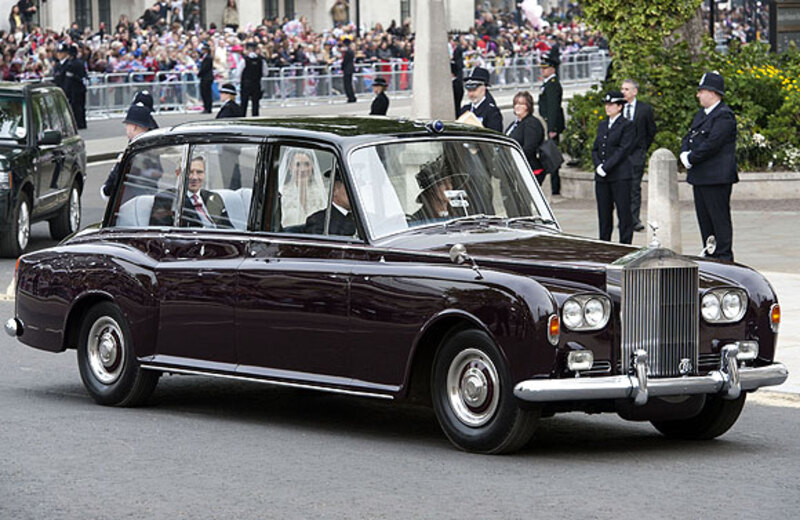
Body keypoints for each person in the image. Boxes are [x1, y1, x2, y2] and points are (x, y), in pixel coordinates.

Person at [680, 71, 738, 262]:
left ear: (713, 93)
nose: (698, 95)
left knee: (718, 221)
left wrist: (691, 158)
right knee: (705, 222)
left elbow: (712, 144)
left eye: (701, 91)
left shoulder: (724, 116)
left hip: (716, 178)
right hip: (701, 177)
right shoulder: (702, 114)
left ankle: (724, 259)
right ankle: (711, 254)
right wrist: (684, 153)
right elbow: (689, 137)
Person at [591, 91, 635, 244]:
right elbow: (595, 148)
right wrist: (598, 166)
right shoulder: (603, 125)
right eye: (606, 104)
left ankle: (625, 245)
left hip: (620, 176)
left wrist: (606, 167)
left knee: (624, 214)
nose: (607, 107)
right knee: (604, 215)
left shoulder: (627, 125)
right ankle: (604, 244)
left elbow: (623, 149)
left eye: (611, 105)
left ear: (619, 107)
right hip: (602, 177)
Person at [150, 155, 232, 228]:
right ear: (178, 173)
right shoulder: (167, 199)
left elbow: (230, 230)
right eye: (189, 172)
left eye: (199, 172)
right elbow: (160, 235)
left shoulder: (213, 198)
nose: (195, 177)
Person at [101, 102, 159, 201]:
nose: (126, 128)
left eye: (127, 125)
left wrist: (120, 164)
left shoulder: (133, 151)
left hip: (131, 204)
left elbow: (110, 189)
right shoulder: (152, 148)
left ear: (134, 127)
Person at [621, 78, 657, 232]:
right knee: (622, 188)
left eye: (627, 89)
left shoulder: (644, 109)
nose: (623, 92)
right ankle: (624, 219)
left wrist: (642, 149)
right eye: (622, 89)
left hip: (637, 155)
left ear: (635, 92)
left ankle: (634, 219)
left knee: (635, 188)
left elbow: (651, 131)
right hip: (621, 157)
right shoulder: (618, 107)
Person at [278, 148, 327, 228]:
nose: (303, 169)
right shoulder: (283, 193)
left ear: (312, 167)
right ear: (290, 167)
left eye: (307, 164)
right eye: (298, 164)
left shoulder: (321, 194)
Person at [538, 50, 564, 196]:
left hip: (551, 124)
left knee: (552, 154)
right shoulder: (548, 83)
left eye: (545, 68)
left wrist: (552, 127)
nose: (543, 70)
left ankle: (555, 187)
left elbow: (553, 107)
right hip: (548, 122)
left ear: (552, 69)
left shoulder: (553, 84)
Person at [410, 157, 468, 224]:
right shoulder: (418, 220)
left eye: (450, 182)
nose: (449, 187)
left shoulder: (460, 215)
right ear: (431, 189)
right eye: (443, 183)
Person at [505, 90, 545, 184]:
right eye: (515, 103)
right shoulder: (515, 123)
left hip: (529, 169)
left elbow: (529, 148)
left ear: (528, 106)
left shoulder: (531, 123)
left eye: (521, 104)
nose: (517, 106)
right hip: (513, 169)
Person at [304, 170, 356, 236]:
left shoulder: (365, 220)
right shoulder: (320, 221)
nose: (355, 194)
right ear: (334, 190)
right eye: (350, 188)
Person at [458, 67, 503, 132]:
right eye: (469, 90)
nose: (471, 94)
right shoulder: (465, 109)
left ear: (483, 88)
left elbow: (495, 137)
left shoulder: (492, 112)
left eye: (474, 90)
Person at [65, 45, 88, 129]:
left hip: (74, 89)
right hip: (81, 87)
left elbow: (69, 79)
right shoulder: (81, 63)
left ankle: (78, 123)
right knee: (82, 106)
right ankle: (83, 123)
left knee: (75, 106)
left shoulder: (70, 64)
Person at [239, 41, 264, 116]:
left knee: (244, 103)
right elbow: (265, 72)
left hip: (246, 84)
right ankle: (255, 117)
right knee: (255, 103)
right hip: (256, 83)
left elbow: (238, 72)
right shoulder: (261, 60)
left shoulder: (244, 60)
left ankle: (242, 117)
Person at [198, 43, 214, 113]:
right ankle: (206, 107)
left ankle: (208, 108)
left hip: (207, 77)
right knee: (204, 93)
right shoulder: (204, 57)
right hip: (205, 77)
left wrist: (199, 74)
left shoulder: (208, 58)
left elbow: (205, 68)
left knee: (207, 93)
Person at [341, 38, 357, 103]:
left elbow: (345, 61)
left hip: (347, 69)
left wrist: (342, 66)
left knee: (347, 84)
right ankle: (352, 96)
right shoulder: (351, 52)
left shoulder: (347, 52)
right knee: (350, 83)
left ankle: (350, 97)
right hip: (351, 68)